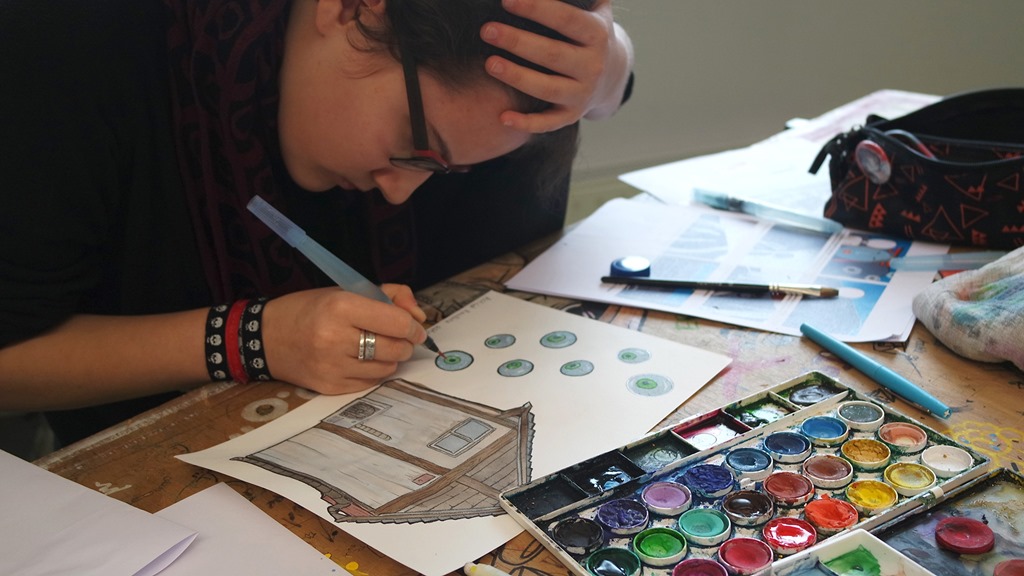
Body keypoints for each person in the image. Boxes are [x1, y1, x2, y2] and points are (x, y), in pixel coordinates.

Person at [0, 0, 634, 445]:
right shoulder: (66, 47)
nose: (400, 193)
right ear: (351, 8)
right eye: (416, 147)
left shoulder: (482, 71)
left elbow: (595, 76)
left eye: (452, 171)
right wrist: (251, 338)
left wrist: (611, 71)